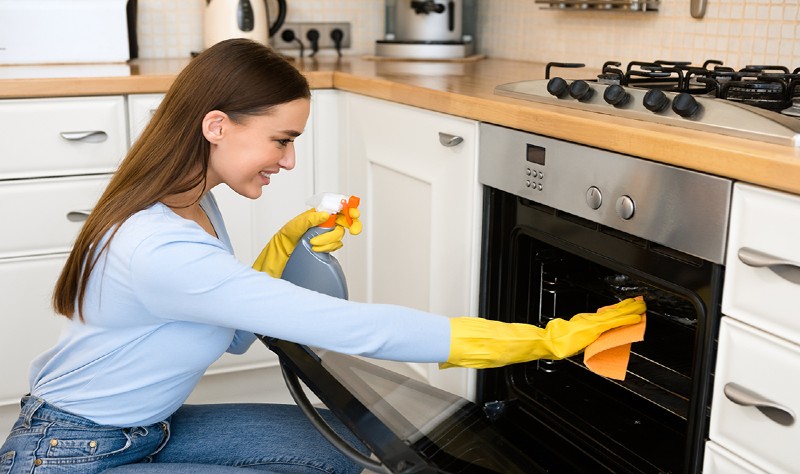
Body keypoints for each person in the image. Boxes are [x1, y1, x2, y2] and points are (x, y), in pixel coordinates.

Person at [0, 39, 645, 473]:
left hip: (149, 426)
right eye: (281, 140)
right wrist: (541, 341)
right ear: (217, 124)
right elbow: (360, 330)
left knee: (345, 452)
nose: (289, 160)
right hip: (70, 453)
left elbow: (226, 337)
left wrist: (285, 247)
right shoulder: (158, 244)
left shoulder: (190, 201)